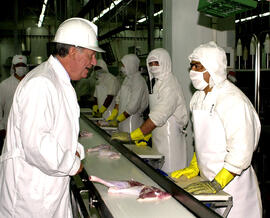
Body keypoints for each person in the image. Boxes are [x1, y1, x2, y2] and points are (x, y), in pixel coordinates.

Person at [0, 17, 104, 218]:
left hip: (46, 192)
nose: (93, 62)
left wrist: (74, 151)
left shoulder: (58, 81)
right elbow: (37, 144)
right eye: (91, 55)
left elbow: (58, 132)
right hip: (30, 197)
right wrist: (73, 164)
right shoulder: (42, 83)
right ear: (73, 51)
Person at [171, 41, 262, 218]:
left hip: (234, 188)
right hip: (208, 183)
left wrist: (217, 184)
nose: (192, 72)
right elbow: (203, 138)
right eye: (191, 66)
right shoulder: (198, 98)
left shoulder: (232, 100)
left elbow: (241, 152)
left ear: (212, 68)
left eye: (197, 67)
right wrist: (195, 165)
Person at [111, 48, 189, 173]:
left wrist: (133, 136)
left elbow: (159, 115)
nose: (153, 67)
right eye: (150, 64)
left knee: (171, 172)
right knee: (160, 171)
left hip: (170, 138)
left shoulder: (170, 85)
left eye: (156, 63)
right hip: (158, 134)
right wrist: (146, 136)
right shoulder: (158, 83)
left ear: (165, 62)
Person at [106, 54, 149, 133]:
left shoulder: (138, 81)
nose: (122, 68)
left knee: (128, 141)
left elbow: (134, 105)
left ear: (131, 65)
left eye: (124, 65)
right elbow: (119, 97)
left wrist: (119, 119)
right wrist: (115, 112)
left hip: (132, 120)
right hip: (123, 119)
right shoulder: (127, 79)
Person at [0, 55, 28, 153]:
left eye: (23, 65)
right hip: (9, 129)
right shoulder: (4, 85)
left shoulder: (31, 83)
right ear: (13, 67)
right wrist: (1, 127)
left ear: (26, 67)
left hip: (28, 128)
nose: (20, 67)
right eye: (18, 65)